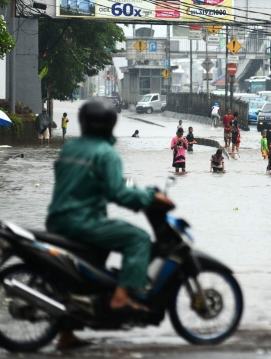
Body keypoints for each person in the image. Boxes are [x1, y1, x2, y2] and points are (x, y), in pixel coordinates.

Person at [45, 99, 174, 350]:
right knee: (138, 238)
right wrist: (150, 197)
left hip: (57, 219)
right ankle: (121, 297)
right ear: (109, 126)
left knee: (80, 278)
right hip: (83, 221)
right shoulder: (106, 153)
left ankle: (66, 335)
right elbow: (118, 194)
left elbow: (87, 180)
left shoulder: (70, 148)